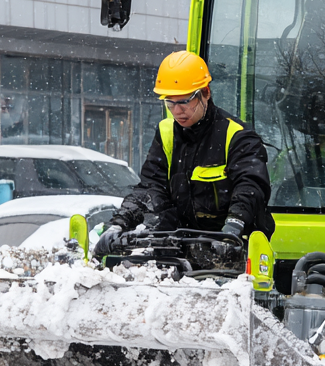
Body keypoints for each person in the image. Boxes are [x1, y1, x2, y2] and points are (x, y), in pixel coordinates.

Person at [93, 50, 276, 261]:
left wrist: (233, 227)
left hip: (232, 251)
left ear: (205, 93)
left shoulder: (237, 135)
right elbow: (150, 187)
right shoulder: (166, 133)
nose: (177, 110)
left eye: (185, 101)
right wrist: (119, 224)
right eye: (170, 102)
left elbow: (251, 187)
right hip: (179, 249)